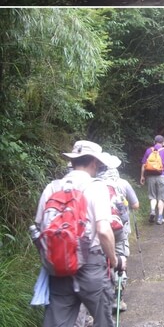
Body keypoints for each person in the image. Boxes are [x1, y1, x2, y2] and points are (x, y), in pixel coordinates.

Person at [34, 140, 126, 327]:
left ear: (73, 161)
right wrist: (115, 261)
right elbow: (103, 230)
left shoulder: (52, 187)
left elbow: (39, 227)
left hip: (58, 266)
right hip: (90, 266)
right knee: (103, 320)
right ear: (94, 162)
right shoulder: (96, 187)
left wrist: (57, 256)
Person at [99, 154, 139, 314]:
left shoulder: (95, 184)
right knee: (120, 261)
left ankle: (101, 299)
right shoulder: (123, 183)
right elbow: (135, 205)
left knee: (102, 261)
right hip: (120, 229)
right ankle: (118, 299)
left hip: (100, 230)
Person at [140, 135, 164, 225]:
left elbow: (143, 165)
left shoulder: (148, 151)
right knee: (161, 198)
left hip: (150, 177)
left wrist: (142, 176)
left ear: (154, 142)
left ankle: (152, 211)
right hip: (162, 176)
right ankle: (160, 217)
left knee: (152, 197)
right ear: (163, 143)